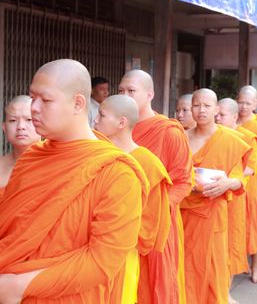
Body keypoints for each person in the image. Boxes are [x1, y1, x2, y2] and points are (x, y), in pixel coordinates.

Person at [0, 59, 147, 304]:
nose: (34, 108)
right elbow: (12, 227)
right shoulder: (32, 158)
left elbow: (103, 261)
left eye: (45, 100)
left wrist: (18, 286)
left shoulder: (116, 173)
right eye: (32, 97)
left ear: (78, 103)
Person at [119, 70, 193, 304]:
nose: (125, 95)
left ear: (149, 94)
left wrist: (150, 211)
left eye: (131, 91)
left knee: (155, 285)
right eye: (121, 91)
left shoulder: (168, 132)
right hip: (118, 220)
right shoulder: (115, 127)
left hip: (157, 222)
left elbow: (183, 182)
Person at [94, 94, 172, 304]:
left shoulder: (148, 163)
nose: (95, 120)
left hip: (123, 251)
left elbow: (151, 221)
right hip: (89, 250)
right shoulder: (95, 155)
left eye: (101, 115)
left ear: (121, 122)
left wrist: (116, 235)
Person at [180, 88, 250, 304]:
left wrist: (229, 183)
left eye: (207, 106)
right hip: (182, 212)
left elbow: (239, 177)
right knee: (183, 268)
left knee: (212, 268)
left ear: (216, 110)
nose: (201, 110)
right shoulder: (181, 137)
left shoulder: (230, 139)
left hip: (213, 214)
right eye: (197, 105)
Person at [216, 97, 255, 304]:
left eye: (222, 115)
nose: (218, 118)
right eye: (217, 114)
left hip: (234, 196)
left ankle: (226, 292)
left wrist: (228, 180)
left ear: (234, 116)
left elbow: (250, 167)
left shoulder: (246, 137)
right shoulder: (208, 135)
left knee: (230, 246)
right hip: (210, 198)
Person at [237, 86, 257, 282]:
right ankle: (240, 262)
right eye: (241, 102)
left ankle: (255, 265)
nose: (243, 106)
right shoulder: (231, 121)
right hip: (234, 178)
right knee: (238, 224)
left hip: (252, 181)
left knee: (254, 223)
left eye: (248, 103)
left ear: (255, 104)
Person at [0, 95, 41, 191]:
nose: (21, 126)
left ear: (41, 123)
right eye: (13, 120)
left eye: (29, 120)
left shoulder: (56, 163)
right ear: (4, 128)